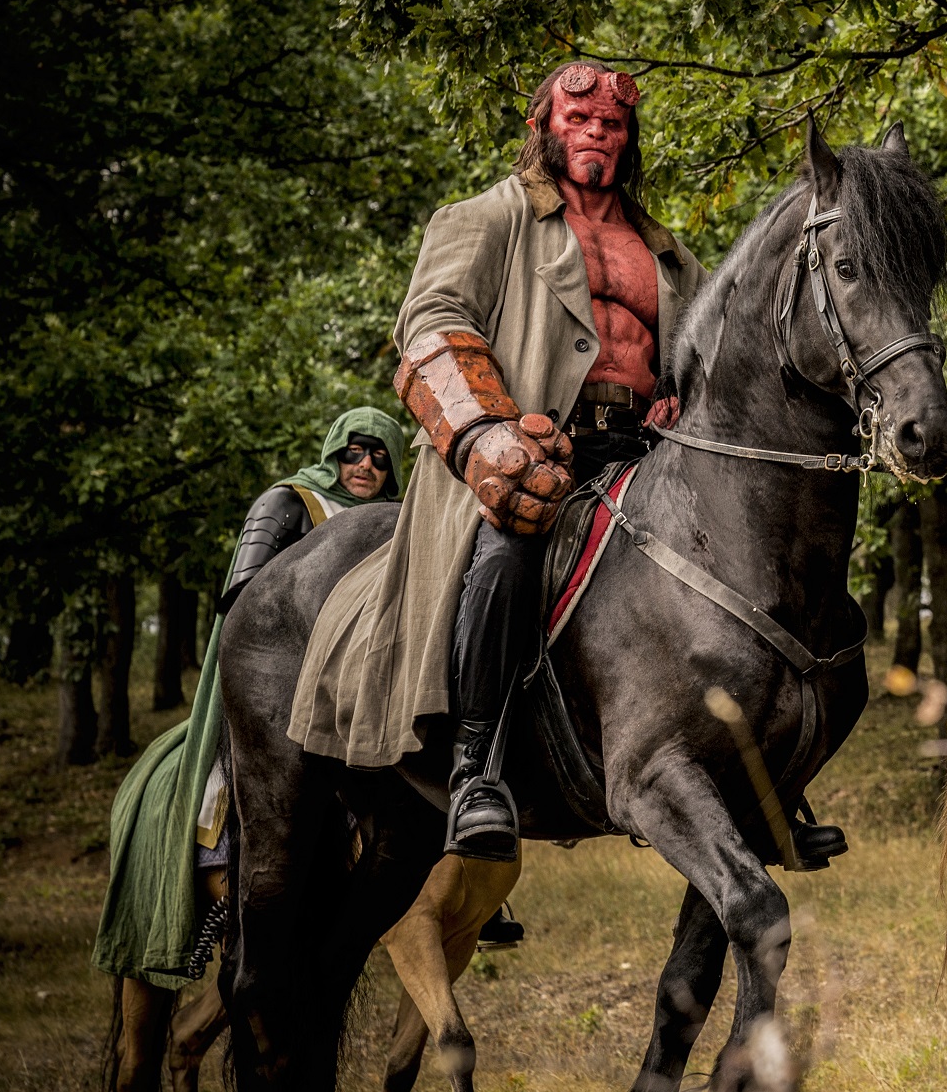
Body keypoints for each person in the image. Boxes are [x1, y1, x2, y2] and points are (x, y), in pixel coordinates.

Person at [286, 61, 704, 862]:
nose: (596, 136)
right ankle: (478, 766)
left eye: (611, 126)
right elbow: (432, 322)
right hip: (534, 444)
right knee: (511, 549)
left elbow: (708, 352)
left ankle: (756, 768)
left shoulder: (668, 252)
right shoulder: (489, 218)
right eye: (579, 122)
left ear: (628, 138)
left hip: (643, 454)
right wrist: (487, 436)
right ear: (546, 129)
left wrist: (686, 393)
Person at [95, 409, 407, 986]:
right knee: (241, 776)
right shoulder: (289, 503)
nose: (365, 466)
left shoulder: (405, 522)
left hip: (373, 689)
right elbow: (245, 602)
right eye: (355, 452)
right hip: (278, 682)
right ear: (335, 451)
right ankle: (222, 884)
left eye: (381, 457)